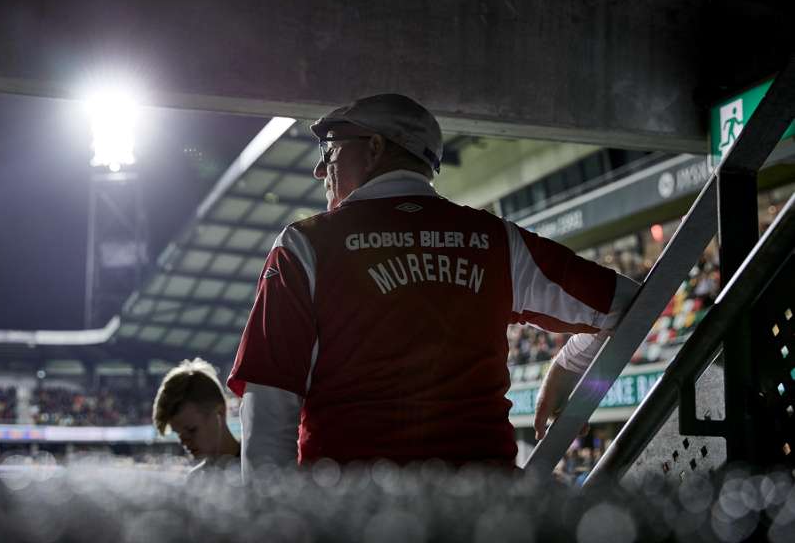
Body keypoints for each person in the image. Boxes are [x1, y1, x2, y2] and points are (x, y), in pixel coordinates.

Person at [227, 93, 638, 477]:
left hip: (354, 509)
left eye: (330, 150)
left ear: (373, 148)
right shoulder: (497, 240)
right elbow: (627, 304)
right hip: (487, 510)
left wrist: (274, 521)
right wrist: (568, 369)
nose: (321, 169)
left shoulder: (305, 245)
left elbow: (269, 400)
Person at [153, 358, 240, 471]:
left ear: (220, 412)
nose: (184, 442)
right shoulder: (195, 479)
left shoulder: (258, 465)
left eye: (191, 430)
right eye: (179, 434)